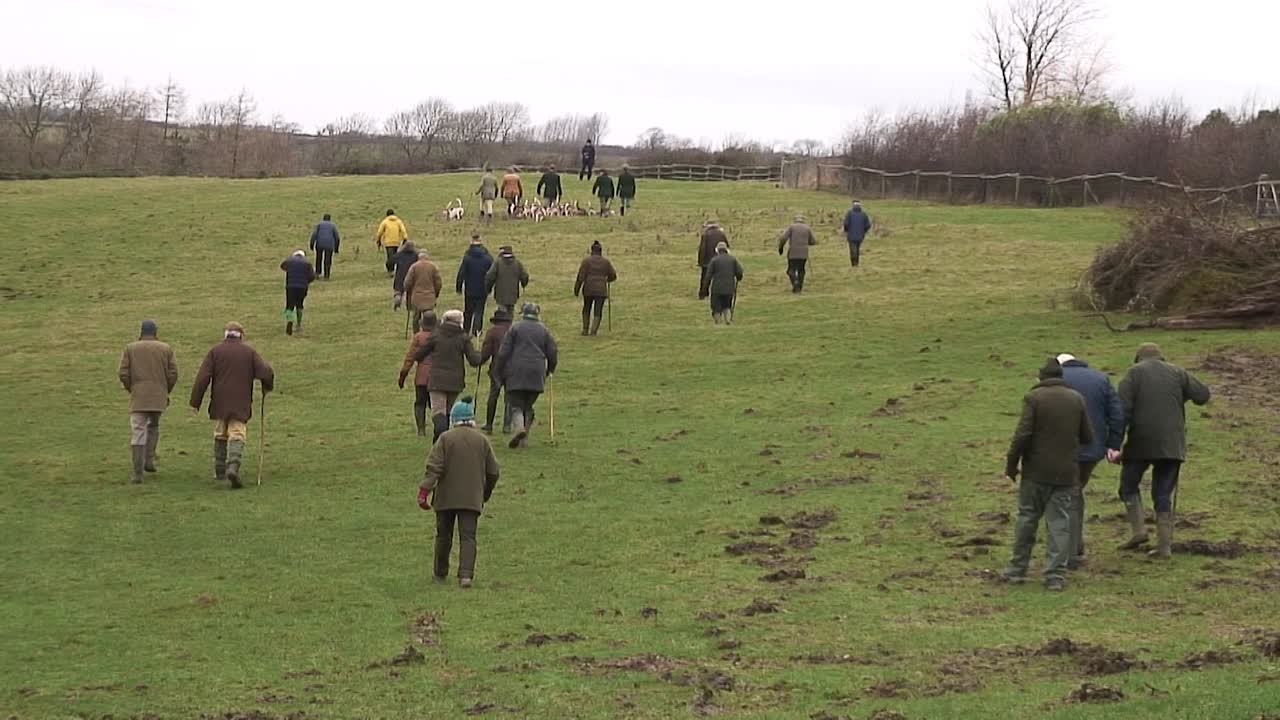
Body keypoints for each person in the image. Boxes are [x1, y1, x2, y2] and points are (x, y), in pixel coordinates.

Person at [1003, 358, 1093, 591]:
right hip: (1066, 472)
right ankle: (1055, 576)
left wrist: (1011, 464)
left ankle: (1017, 570)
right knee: (1059, 523)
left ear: (1041, 377)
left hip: (1035, 471)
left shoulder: (1034, 398)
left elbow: (1022, 434)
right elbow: (1087, 437)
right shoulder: (1077, 399)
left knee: (1027, 519)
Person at [1116, 343, 1211, 559]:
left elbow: (1123, 409)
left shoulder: (1134, 373)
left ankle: (1139, 532)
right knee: (1162, 493)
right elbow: (1203, 395)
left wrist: (1115, 442)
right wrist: (1181, 396)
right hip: (1172, 444)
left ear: (1138, 358)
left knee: (1128, 486)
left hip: (1140, 442)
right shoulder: (1178, 372)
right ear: (1161, 357)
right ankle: (1164, 546)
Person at [418, 396, 500, 588]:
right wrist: (485, 493)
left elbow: (434, 467)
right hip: (471, 498)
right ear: (472, 419)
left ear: (453, 420)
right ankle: (466, 576)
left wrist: (424, 492)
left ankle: (440, 573)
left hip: (445, 497)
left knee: (443, 536)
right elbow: (494, 471)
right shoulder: (482, 441)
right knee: (468, 536)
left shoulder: (445, 439)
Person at [1057, 352, 1125, 569]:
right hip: (1092, 449)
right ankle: (1075, 547)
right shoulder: (1100, 378)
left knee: (1064, 496)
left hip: (1059, 450)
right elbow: (1117, 414)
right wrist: (1113, 444)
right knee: (1076, 491)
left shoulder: (1054, 380)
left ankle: (1068, 552)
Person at [190, 322, 275, 489]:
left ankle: (220, 470)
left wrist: (195, 402)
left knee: (220, 432)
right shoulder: (249, 352)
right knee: (237, 433)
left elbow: (202, 377)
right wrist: (267, 385)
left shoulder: (215, 352)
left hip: (219, 402)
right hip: (240, 402)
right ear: (241, 335)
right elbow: (266, 371)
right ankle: (233, 467)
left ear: (226, 334)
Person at [118, 320, 178, 484]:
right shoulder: (165, 348)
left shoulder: (131, 348)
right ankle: (149, 460)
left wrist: (133, 388)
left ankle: (137, 473)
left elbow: (123, 373)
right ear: (155, 332)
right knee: (154, 426)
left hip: (138, 396)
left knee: (138, 431)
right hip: (158, 396)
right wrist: (165, 390)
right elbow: (173, 373)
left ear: (141, 332)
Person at [413, 309, 483, 441]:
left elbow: (419, 355)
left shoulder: (436, 335)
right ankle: (443, 440)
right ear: (460, 322)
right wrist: (479, 354)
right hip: (455, 381)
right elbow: (474, 361)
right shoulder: (463, 338)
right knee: (448, 412)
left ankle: (440, 438)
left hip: (437, 380)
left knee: (439, 412)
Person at [495, 303, 558, 449]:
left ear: (523, 313)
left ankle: (519, 429)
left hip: (516, 371)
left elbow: (503, 352)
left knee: (516, 405)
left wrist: (498, 371)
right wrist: (550, 370)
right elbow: (553, 353)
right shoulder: (544, 330)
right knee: (528, 405)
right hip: (537, 372)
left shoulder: (515, 328)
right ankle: (524, 440)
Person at [399, 312, 437, 437]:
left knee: (420, 403)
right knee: (436, 404)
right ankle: (439, 426)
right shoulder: (440, 336)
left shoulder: (418, 337)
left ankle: (421, 429)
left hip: (422, 377)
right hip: (437, 375)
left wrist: (403, 375)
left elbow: (410, 357)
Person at [479, 307, 514, 434]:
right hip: (513, 368)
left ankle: (489, 424)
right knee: (509, 397)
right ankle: (507, 425)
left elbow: (486, 352)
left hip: (497, 368)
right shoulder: (514, 330)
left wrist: (479, 360)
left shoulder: (492, 332)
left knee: (493, 395)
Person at [574, 241, 618, 336]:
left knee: (586, 309)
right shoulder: (606, 262)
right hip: (601, 291)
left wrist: (576, 289)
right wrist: (608, 280)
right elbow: (613, 275)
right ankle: (593, 331)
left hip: (588, 289)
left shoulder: (586, 261)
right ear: (600, 251)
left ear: (592, 250)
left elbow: (580, 277)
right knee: (598, 311)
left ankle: (585, 330)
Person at [456, 233, 493, 336]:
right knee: (479, 311)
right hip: (483, 288)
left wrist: (459, 287)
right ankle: (477, 331)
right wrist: (490, 287)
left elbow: (461, 273)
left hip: (470, 289)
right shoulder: (488, 257)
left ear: (471, 241)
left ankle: (466, 330)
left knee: (468, 311)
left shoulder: (467, 257)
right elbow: (492, 273)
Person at [699, 241, 744, 325]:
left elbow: (708, 276)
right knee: (727, 305)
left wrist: (705, 289)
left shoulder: (714, 260)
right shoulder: (732, 259)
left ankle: (718, 322)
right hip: (730, 288)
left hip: (717, 288)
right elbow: (740, 272)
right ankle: (728, 320)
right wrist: (738, 277)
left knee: (716, 307)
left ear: (717, 250)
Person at [404, 251, 443, 333]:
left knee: (416, 317)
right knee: (430, 316)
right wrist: (435, 293)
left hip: (417, 297)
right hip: (430, 296)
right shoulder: (433, 267)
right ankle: (431, 332)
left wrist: (408, 290)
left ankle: (416, 333)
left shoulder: (414, 267)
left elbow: (407, 282)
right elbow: (438, 283)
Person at [280, 249, 316, 336]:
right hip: (302, 287)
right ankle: (299, 324)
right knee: (300, 304)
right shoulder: (307, 263)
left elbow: (282, 266)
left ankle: (289, 320)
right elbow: (312, 276)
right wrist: (306, 281)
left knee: (289, 306)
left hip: (290, 286)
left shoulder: (289, 260)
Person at [777, 214, 817, 293]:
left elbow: (783, 238)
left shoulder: (791, 227)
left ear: (795, 220)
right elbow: (813, 241)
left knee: (790, 270)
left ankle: (795, 283)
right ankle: (799, 287)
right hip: (804, 254)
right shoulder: (807, 228)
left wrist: (780, 248)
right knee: (801, 270)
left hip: (793, 253)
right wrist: (805, 242)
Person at [484, 245, 529, 314]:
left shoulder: (498, 263)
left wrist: (488, 288)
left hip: (500, 294)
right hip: (513, 294)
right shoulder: (517, 263)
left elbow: (490, 276)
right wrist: (523, 284)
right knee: (510, 313)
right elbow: (525, 276)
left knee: (502, 314)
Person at [698, 220, 729, 290]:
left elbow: (702, 249)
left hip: (707, 261)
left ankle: (703, 292)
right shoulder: (721, 234)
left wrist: (701, 262)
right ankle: (720, 290)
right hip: (720, 259)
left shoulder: (705, 234)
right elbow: (726, 246)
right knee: (719, 277)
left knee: (705, 277)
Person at [376, 209, 409, 275]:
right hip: (396, 242)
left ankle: (390, 270)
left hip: (388, 242)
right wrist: (405, 238)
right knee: (394, 255)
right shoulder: (398, 221)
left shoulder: (385, 222)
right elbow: (403, 230)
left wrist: (378, 240)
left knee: (390, 256)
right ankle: (393, 269)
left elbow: (380, 232)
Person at [309, 213, 341, 279]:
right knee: (327, 260)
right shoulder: (333, 226)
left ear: (323, 218)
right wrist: (336, 248)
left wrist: (311, 245)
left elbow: (314, 235)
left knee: (318, 259)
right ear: (330, 219)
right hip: (329, 245)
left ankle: (317, 273)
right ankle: (326, 275)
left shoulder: (319, 224)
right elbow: (337, 238)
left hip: (319, 244)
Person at [842, 200, 872, 267]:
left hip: (851, 236)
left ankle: (854, 264)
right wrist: (863, 231)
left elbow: (846, 224)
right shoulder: (864, 214)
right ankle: (856, 263)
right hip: (860, 236)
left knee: (853, 250)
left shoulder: (849, 214)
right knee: (857, 249)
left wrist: (846, 231)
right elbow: (868, 225)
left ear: (853, 205)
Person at [391, 239, 418, 311]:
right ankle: (409, 307)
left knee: (398, 291)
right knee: (410, 292)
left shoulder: (399, 254)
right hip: (411, 275)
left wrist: (390, 269)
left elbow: (390, 261)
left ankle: (397, 302)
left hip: (400, 275)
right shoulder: (415, 255)